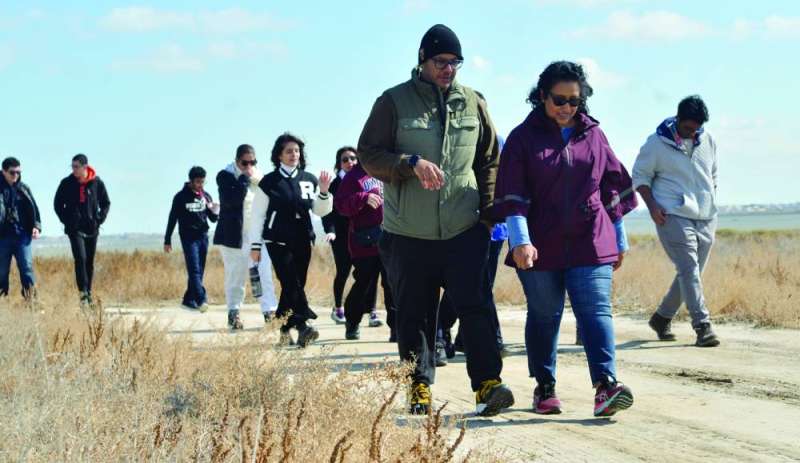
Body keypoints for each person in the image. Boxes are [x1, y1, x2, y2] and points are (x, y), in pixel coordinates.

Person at [358, 24, 514, 416]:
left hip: (464, 229)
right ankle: (419, 387)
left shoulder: (473, 102)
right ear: (423, 62)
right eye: (441, 62)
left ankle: (487, 386)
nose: (448, 69)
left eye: (454, 62)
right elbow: (369, 154)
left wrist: (488, 214)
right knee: (415, 314)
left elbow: (490, 159)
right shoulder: (393, 102)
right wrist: (408, 164)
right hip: (408, 233)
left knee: (475, 307)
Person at [494, 61, 637, 417]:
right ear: (542, 96)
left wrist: (619, 239)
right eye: (559, 99)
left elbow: (612, 185)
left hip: (591, 238)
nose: (567, 108)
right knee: (545, 314)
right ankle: (544, 386)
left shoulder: (594, 134)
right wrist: (520, 241)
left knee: (595, 311)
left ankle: (606, 386)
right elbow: (513, 194)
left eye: (575, 100)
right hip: (540, 242)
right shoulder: (522, 138)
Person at [632, 95, 720, 348]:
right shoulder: (656, 144)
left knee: (691, 273)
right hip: (672, 214)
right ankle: (702, 326)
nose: (692, 133)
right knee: (689, 270)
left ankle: (661, 318)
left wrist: (711, 199)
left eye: (696, 129)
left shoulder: (708, 140)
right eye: (687, 128)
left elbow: (712, 174)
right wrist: (652, 206)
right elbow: (640, 176)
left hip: (706, 216)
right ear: (678, 119)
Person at [250, 133, 333, 348]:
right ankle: (304, 325)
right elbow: (258, 215)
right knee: (290, 282)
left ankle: (285, 330)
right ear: (279, 155)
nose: (293, 155)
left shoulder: (308, 179)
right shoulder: (268, 182)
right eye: (288, 151)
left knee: (294, 287)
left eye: (296, 151)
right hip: (277, 240)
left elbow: (319, 210)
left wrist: (324, 192)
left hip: (303, 238)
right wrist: (255, 246)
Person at [213, 144, 278, 330]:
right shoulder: (225, 176)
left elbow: (271, 197)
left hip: (256, 235)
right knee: (236, 276)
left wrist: (256, 179)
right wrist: (244, 179)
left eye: (253, 162)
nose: (249, 166)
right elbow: (232, 199)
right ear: (237, 161)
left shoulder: (261, 177)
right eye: (244, 162)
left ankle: (269, 312)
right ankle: (234, 313)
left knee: (263, 273)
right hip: (233, 236)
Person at [333, 161, 396, 341]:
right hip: (365, 241)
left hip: (391, 237)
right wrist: (362, 198)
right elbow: (340, 205)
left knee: (393, 284)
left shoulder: (386, 171)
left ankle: (397, 328)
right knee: (364, 283)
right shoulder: (354, 176)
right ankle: (352, 323)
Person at [54, 154, 110, 307]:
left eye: (76, 167)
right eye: (72, 166)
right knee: (80, 258)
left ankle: (89, 292)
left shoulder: (97, 183)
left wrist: (99, 219)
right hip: (75, 229)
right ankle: (83, 294)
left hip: (92, 228)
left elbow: (106, 203)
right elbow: (58, 204)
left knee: (89, 261)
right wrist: (67, 220)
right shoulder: (66, 183)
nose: (74, 170)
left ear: (85, 167)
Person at [164, 166, 219, 311]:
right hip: (188, 238)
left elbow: (213, 219)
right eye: (198, 182)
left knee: (199, 270)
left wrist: (215, 209)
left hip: (203, 237)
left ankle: (189, 299)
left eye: (202, 182)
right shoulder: (180, 197)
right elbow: (172, 219)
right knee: (194, 269)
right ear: (191, 181)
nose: (200, 185)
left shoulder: (206, 196)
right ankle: (202, 299)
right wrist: (167, 239)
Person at [321, 147, 356, 325]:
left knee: (368, 273)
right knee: (343, 271)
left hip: (362, 235)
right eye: (345, 159)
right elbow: (327, 212)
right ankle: (338, 308)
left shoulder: (364, 180)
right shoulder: (334, 185)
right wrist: (330, 231)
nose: (350, 162)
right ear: (339, 163)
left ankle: (372, 311)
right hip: (340, 236)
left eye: (353, 158)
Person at [0, 157, 41, 299]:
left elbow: (34, 208)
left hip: (22, 236)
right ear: (3, 171)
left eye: (18, 172)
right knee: (1, 271)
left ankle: (32, 303)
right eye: (12, 172)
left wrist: (36, 226)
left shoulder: (23, 188)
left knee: (27, 268)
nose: (16, 175)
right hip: (2, 237)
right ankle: (2, 303)